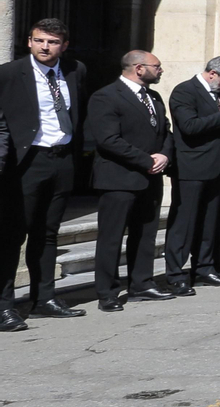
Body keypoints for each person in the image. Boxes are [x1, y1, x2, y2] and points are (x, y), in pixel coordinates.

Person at [0, 19, 82, 324]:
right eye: (39, 41)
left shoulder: (74, 70)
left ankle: (44, 297)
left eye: (52, 42)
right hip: (25, 163)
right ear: (29, 42)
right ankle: (4, 305)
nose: (45, 47)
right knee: (12, 235)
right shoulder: (9, 74)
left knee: (47, 233)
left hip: (61, 159)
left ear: (64, 45)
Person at [85, 50, 175, 310]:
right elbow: (109, 140)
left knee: (146, 234)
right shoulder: (106, 96)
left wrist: (164, 156)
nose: (161, 70)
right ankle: (107, 292)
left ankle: (142, 284)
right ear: (138, 68)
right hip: (118, 178)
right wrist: (147, 161)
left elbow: (165, 131)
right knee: (111, 237)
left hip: (150, 178)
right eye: (156, 66)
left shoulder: (154, 97)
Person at [165, 55, 220, 289]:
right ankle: (175, 273)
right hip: (192, 166)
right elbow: (189, 126)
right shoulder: (185, 91)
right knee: (185, 222)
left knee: (210, 222)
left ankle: (204, 267)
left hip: (218, 166)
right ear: (213, 72)